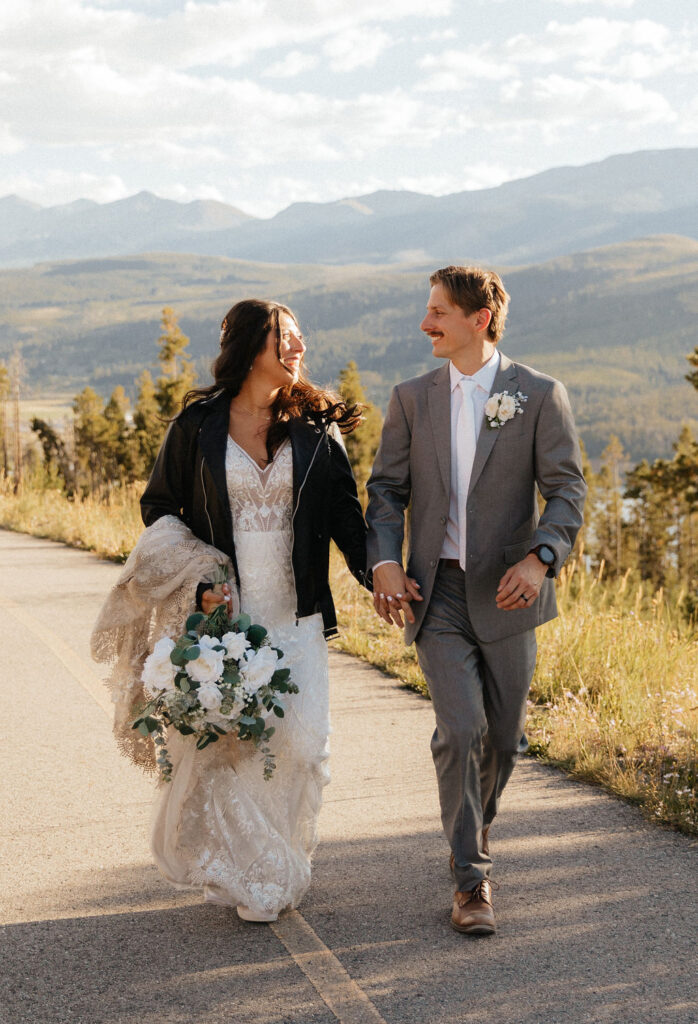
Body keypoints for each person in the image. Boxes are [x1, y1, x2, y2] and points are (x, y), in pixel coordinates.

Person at [93, 298, 368, 923]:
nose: (298, 349)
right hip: (230, 616)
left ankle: (275, 857)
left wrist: (380, 573)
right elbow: (160, 509)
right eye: (285, 339)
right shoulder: (197, 426)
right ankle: (260, 874)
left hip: (296, 614)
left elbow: (348, 520)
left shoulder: (317, 427)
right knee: (235, 748)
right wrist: (201, 585)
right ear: (251, 347)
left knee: (298, 744)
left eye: (300, 338)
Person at [365, 266, 586, 935]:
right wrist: (383, 561)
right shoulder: (411, 398)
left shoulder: (540, 395)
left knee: (507, 741)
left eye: (438, 312)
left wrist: (541, 557)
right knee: (461, 732)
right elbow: (385, 492)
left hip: (510, 592)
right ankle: (472, 881)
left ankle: (472, 830)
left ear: (478, 319)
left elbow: (568, 490)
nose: (426, 324)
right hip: (439, 594)